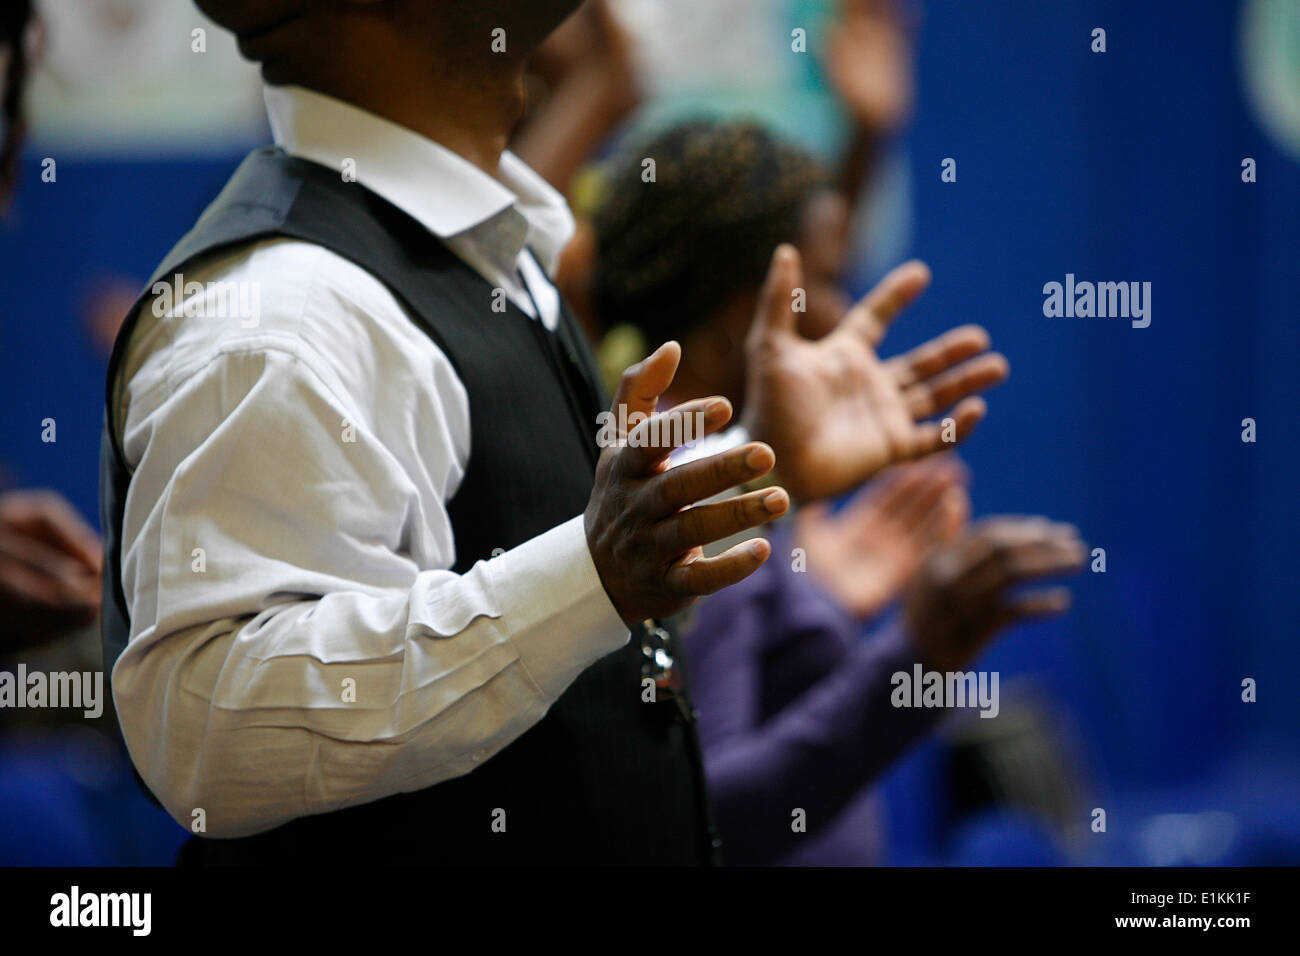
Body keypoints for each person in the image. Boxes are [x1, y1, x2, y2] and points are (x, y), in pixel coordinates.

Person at [102, 0, 1003, 865]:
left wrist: (752, 462)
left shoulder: (502, 255)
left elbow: (569, 645)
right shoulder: (288, 310)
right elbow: (203, 731)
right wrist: (590, 576)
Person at [588, 119, 1085, 863]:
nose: (843, 311)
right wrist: (916, 656)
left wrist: (819, 604)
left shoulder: (703, 470)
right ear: (744, 312)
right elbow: (702, 815)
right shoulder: (685, 492)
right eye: (823, 281)